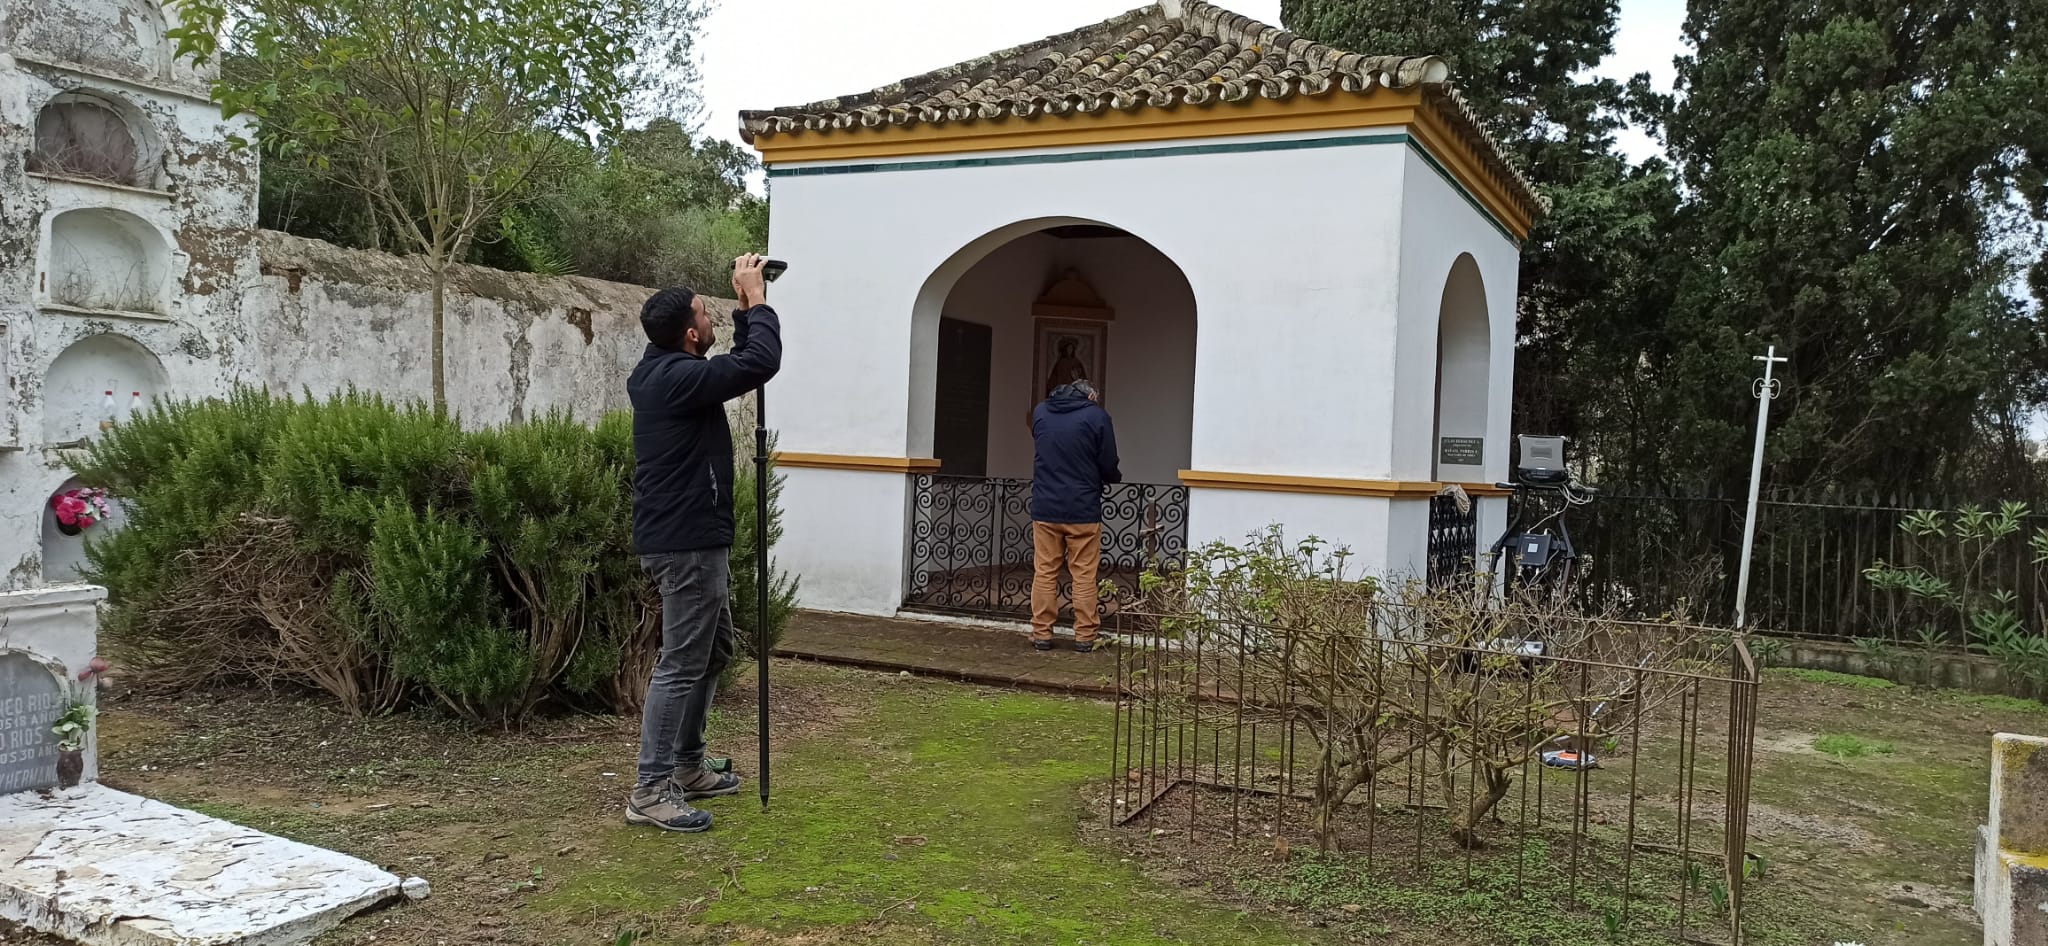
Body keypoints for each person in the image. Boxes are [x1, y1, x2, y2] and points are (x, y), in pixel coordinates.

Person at [624, 254, 782, 833]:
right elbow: (759, 364)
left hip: (693, 538)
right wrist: (758, 299)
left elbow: (738, 364)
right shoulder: (674, 379)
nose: (710, 315)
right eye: (704, 313)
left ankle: (688, 765)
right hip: (686, 543)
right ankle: (650, 789)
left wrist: (743, 313)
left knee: (711, 652)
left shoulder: (668, 372)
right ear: (690, 334)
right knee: (682, 663)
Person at [1028, 378, 1121, 652]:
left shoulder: (1041, 411)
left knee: (1044, 571)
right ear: (1091, 396)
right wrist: (1112, 476)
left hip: (1045, 505)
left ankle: (1041, 633)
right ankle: (1085, 636)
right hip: (1082, 507)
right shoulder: (1097, 416)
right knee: (1083, 574)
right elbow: (1107, 459)